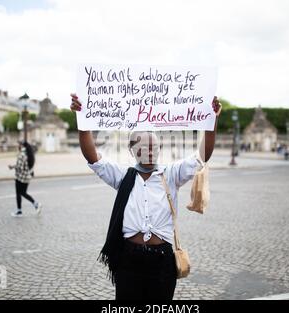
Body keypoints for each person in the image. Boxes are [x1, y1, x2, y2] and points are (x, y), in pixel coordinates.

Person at [70, 93, 221, 300]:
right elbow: (92, 157)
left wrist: (211, 121)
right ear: (132, 151)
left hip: (163, 262)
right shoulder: (122, 176)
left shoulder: (171, 174)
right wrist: (82, 121)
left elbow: (203, 155)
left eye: (154, 147)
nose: (149, 151)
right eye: (142, 147)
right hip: (128, 260)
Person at [8, 141, 42, 216]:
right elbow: (28, 166)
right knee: (23, 193)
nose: (18, 146)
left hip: (20, 177)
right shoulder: (30, 154)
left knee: (19, 193)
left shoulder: (21, 155)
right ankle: (35, 204)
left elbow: (19, 167)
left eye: (19, 145)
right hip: (27, 177)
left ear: (22, 146)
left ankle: (20, 210)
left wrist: (12, 167)